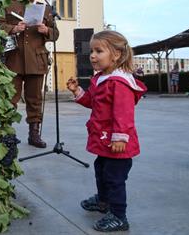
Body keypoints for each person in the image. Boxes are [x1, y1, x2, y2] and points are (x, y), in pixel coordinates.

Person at [66, 30, 147, 232]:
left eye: (99, 51)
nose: (92, 55)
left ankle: (119, 216)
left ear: (117, 55)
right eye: (92, 51)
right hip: (105, 140)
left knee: (114, 178)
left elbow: (124, 114)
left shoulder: (119, 83)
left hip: (117, 143)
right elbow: (93, 102)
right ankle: (103, 201)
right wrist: (77, 91)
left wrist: (121, 138)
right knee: (100, 170)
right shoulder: (101, 79)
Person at [0, 0, 59, 148]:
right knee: (10, 99)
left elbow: (55, 34)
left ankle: (34, 134)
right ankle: (7, 135)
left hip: (36, 61)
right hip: (13, 60)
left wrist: (46, 30)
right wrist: (14, 28)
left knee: (34, 99)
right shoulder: (9, 5)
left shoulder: (45, 9)